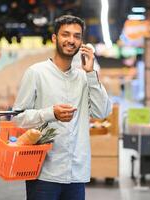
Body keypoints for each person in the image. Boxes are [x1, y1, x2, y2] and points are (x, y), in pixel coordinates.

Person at [12, 15, 112, 200]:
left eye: (77, 36)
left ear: (82, 42)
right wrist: (51, 114)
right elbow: (18, 117)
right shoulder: (36, 73)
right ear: (54, 38)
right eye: (66, 34)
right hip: (44, 172)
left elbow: (102, 111)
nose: (71, 40)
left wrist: (91, 73)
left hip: (76, 173)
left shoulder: (84, 78)